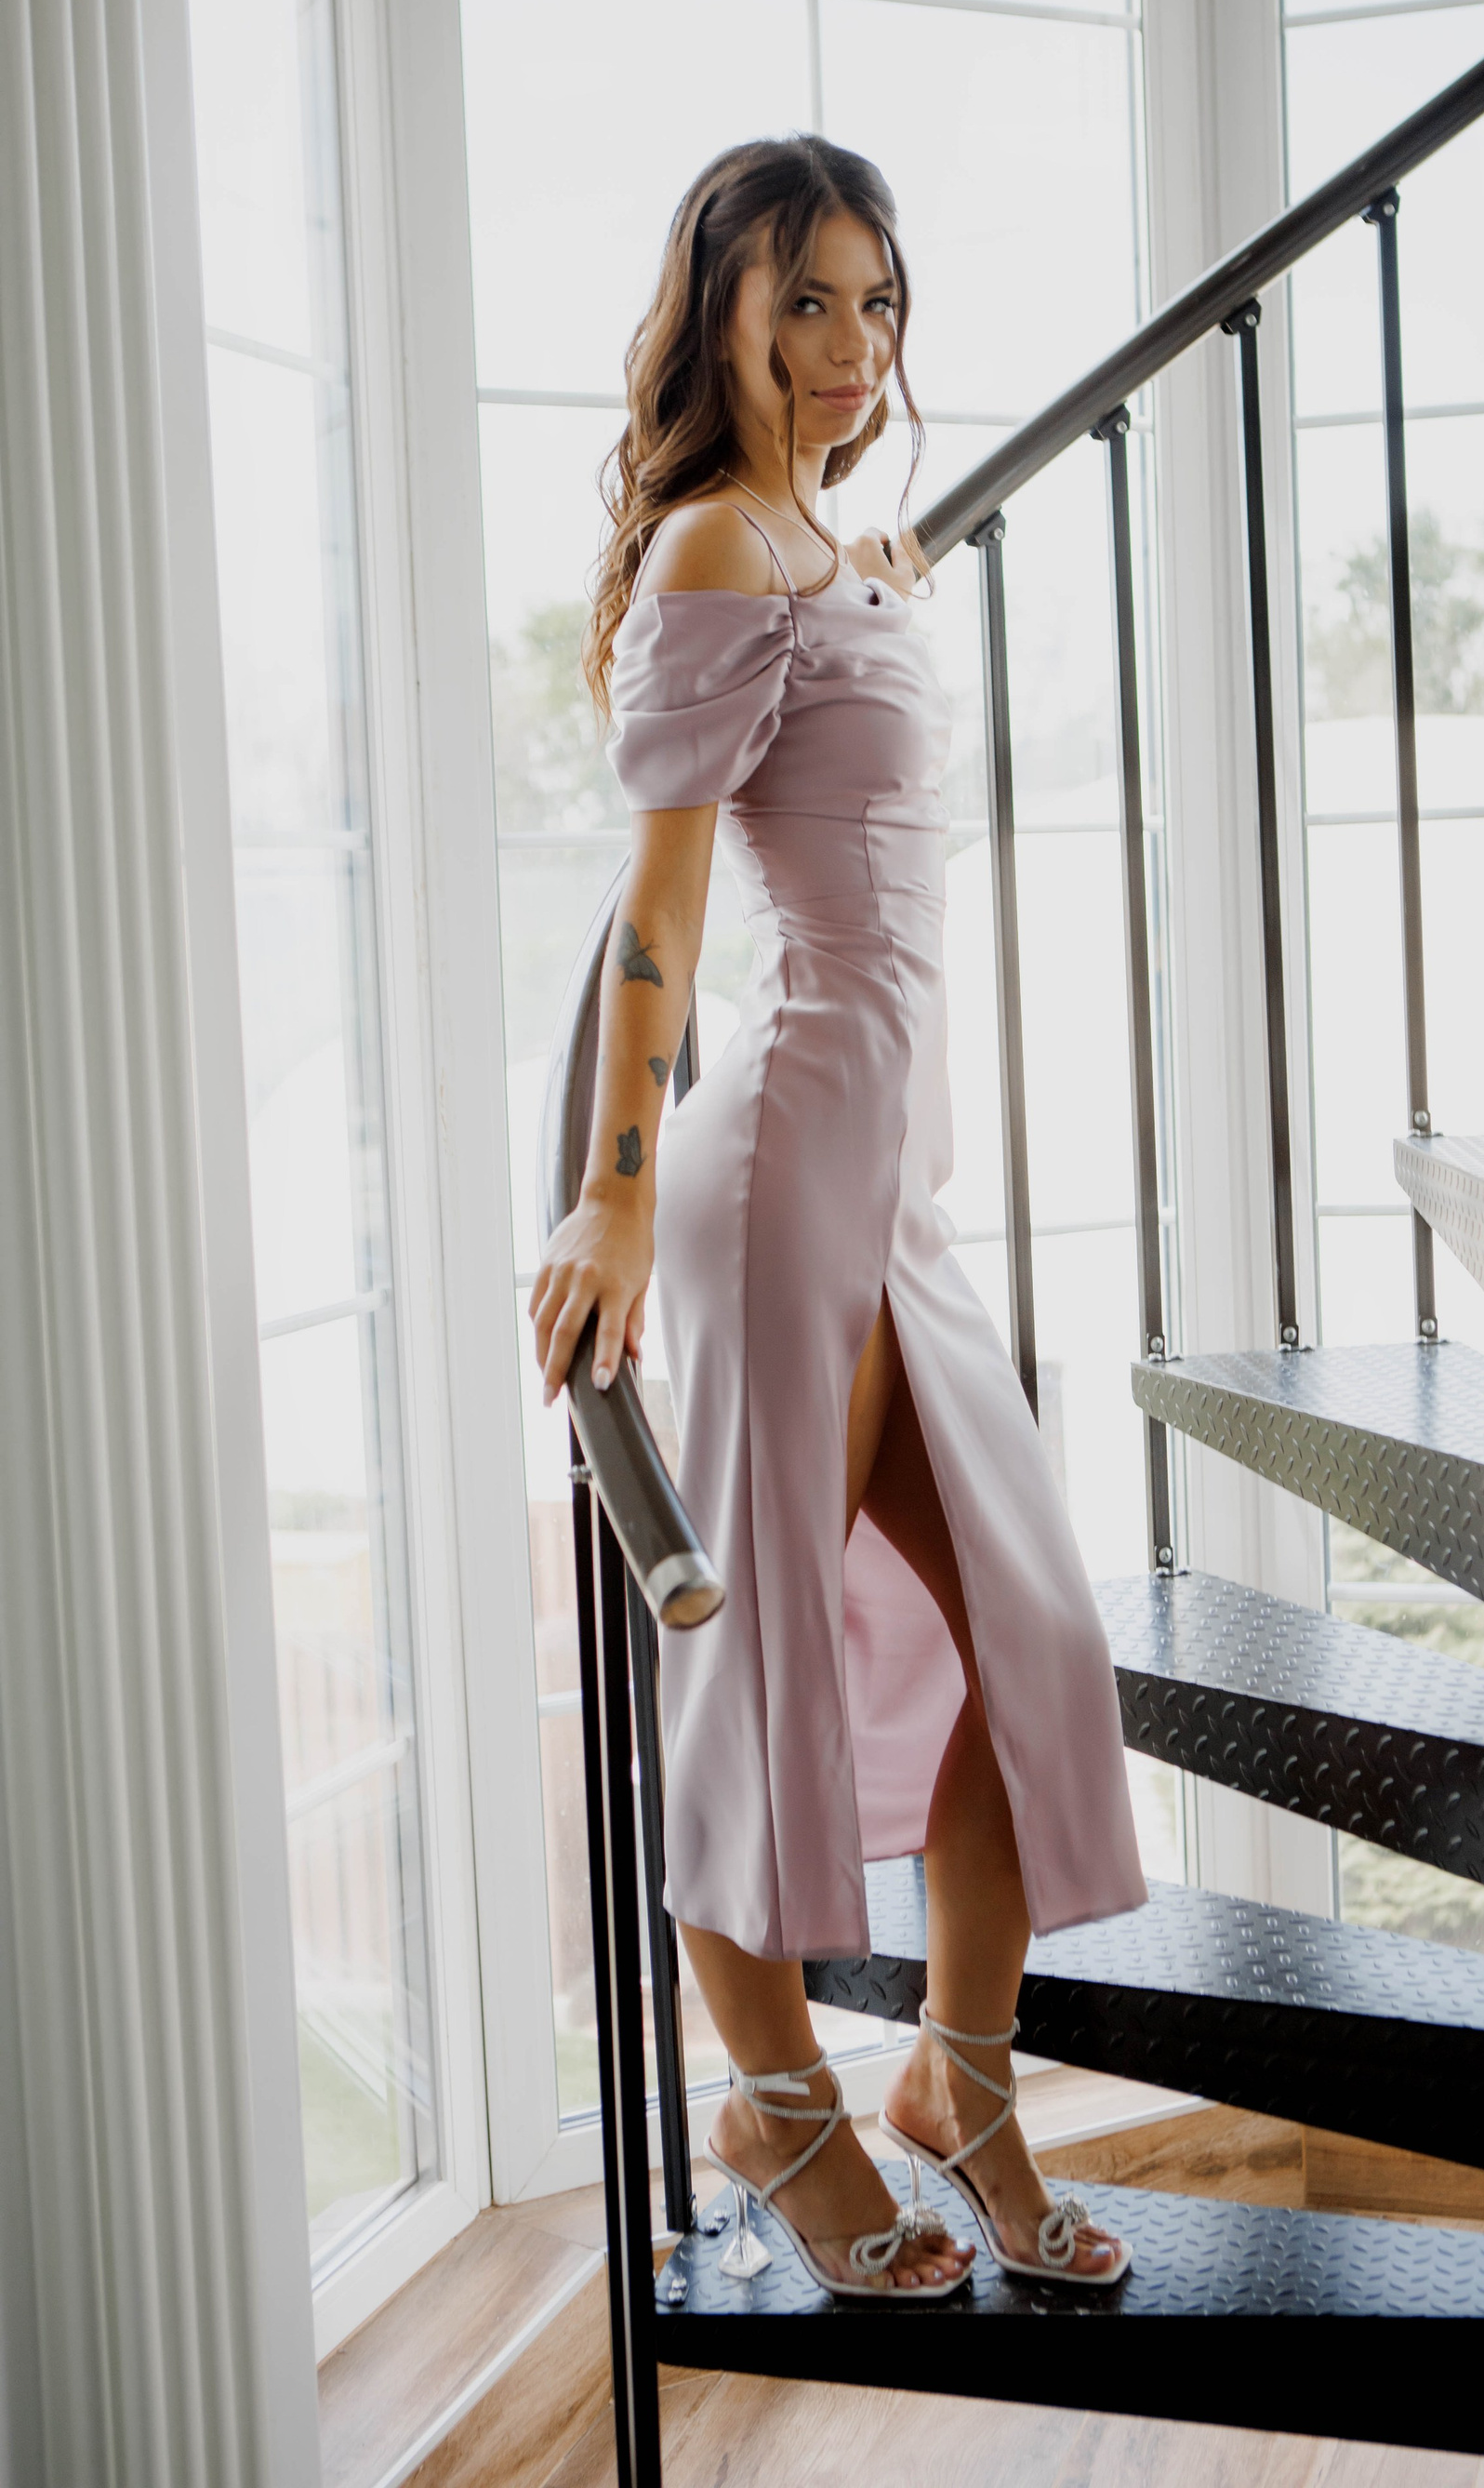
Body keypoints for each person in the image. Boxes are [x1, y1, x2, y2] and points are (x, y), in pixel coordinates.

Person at [531, 136, 1146, 2301]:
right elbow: (661, 921)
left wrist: (869, 568)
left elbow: (839, 679)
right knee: (764, 1665)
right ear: (719, 312)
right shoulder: (717, 542)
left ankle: (954, 2079)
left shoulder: (818, 547)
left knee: (1037, 1641)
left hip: (895, 1188)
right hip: (784, 1165)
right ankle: (782, 2107)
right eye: (802, 302)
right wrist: (608, 1207)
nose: (848, 345)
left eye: (876, 302)